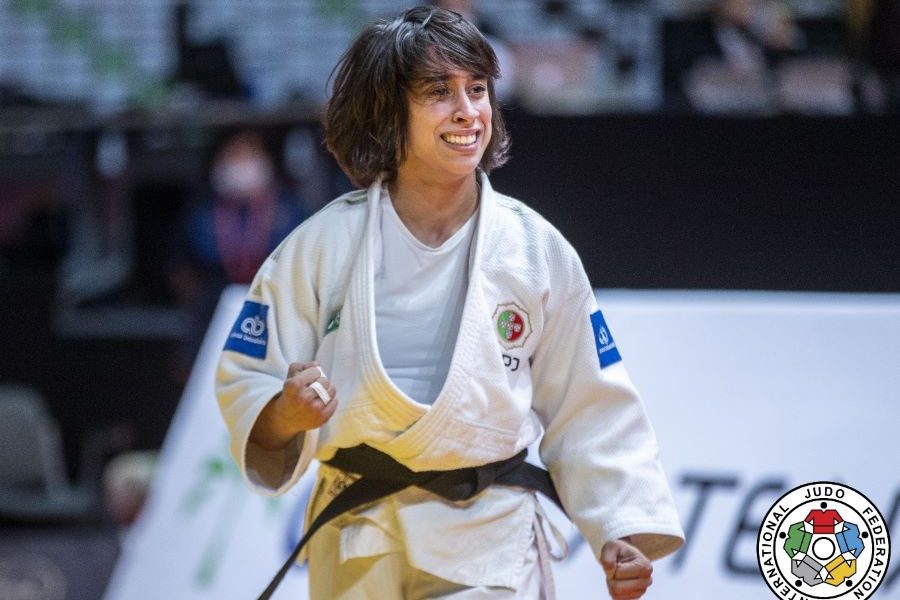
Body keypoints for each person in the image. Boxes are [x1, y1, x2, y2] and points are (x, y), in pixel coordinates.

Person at [216, 6, 684, 599]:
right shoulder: (319, 248)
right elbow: (247, 379)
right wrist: (287, 413)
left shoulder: (532, 249)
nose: (468, 110)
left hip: (488, 534)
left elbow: (588, 401)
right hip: (360, 534)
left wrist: (619, 529)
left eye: (479, 89)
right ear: (388, 113)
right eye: (439, 92)